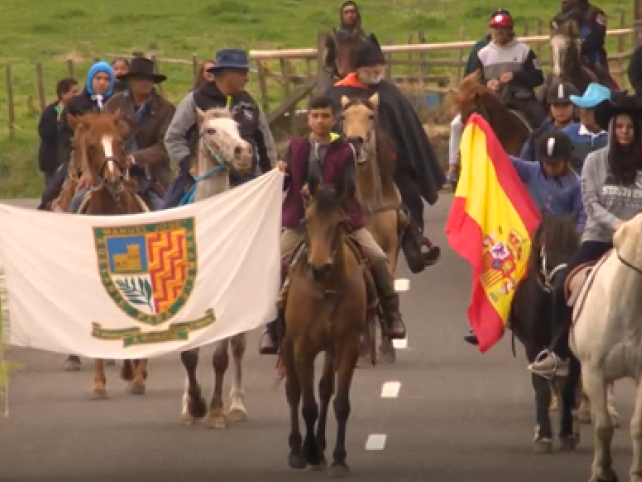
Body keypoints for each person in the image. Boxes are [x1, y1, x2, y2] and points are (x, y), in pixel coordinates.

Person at [527, 96, 642, 377]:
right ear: (612, 130)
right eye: (620, 127)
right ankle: (559, 353)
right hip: (599, 236)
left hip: (641, 242)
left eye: (630, 127)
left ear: (637, 131)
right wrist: (619, 225)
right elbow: (590, 202)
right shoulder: (594, 161)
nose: (625, 132)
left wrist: (637, 229)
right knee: (561, 286)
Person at [259, 96, 408, 354]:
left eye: (325, 116)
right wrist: (280, 173)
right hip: (301, 221)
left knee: (378, 257)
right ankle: (272, 328)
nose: (320, 121)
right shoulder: (294, 148)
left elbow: (348, 186)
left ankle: (391, 313)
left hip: (340, 218)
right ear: (308, 119)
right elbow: (285, 185)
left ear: (334, 120)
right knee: (273, 264)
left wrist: (321, 191)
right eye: (315, 116)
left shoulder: (345, 150)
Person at [328, 41, 444, 273]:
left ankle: (413, 240)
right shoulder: (337, 94)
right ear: (358, 69)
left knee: (409, 192)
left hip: (389, 167)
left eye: (379, 65)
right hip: (345, 164)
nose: (376, 70)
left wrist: (396, 155)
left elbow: (407, 130)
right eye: (371, 66)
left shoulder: (390, 93)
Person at [463, 131, 586, 345]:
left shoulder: (576, 184)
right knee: (499, 266)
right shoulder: (531, 171)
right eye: (546, 163)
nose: (550, 167)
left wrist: (575, 237)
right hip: (528, 239)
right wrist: (482, 135)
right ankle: (494, 319)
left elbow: (582, 216)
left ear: (566, 160)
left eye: (555, 163)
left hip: (561, 244)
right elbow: (500, 158)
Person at [162, 49, 278, 207]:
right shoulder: (195, 101)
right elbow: (174, 137)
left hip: (247, 181)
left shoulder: (249, 103)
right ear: (227, 74)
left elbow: (265, 143)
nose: (247, 79)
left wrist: (269, 174)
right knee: (168, 217)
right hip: (199, 178)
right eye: (243, 73)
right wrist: (189, 163)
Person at [97, 57, 176, 211]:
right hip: (110, 168)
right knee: (77, 202)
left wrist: (134, 158)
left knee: (166, 210)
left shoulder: (166, 109)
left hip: (152, 174)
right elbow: (101, 137)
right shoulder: (113, 104)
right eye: (139, 79)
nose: (145, 83)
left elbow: (164, 145)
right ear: (130, 81)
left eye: (149, 79)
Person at [38, 62, 117, 210]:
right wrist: (81, 161)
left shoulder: (116, 102)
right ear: (90, 80)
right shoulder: (76, 103)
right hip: (79, 158)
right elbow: (63, 133)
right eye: (98, 78)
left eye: (107, 79)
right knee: (51, 191)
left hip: (111, 157)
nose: (102, 82)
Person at [476, 10, 547, 130]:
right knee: (459, 123)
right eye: (495, 28)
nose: (499, 31)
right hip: (491, 99)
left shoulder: (524, 51)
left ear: (510, 29)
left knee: (542, 119)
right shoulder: (483, 54)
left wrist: (516, 76)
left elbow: (538, 78)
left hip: (521, 98)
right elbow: (474, 81)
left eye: (502, 28)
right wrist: (486, 84)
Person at [551, 0, 614, 87]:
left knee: (603, 77)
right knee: (549, 84)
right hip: (565, 59)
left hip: (591, 56)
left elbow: (598, 36)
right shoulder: (559, 18)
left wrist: (580, 47)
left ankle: (613, 96)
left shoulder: (594, 13)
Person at [560, 82, 612, 174]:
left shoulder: (616, 136)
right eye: (582, 107)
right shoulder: (566, 135)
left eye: (590, 109)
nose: (583, 112)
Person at [520, 81, 579, 161]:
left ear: (574, 105)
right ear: (550, 106)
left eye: (565, 105)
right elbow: (525, 161)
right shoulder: (537, 136)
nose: (560, 110)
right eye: (556, 105)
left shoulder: (586, 133)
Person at [37, 77, 79, 189]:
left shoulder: (76, 110)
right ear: (63, 94)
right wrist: (59, 120)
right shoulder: (53, 110)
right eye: (73, 92)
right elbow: (44, 132)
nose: (76, 95)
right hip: (53, 161)